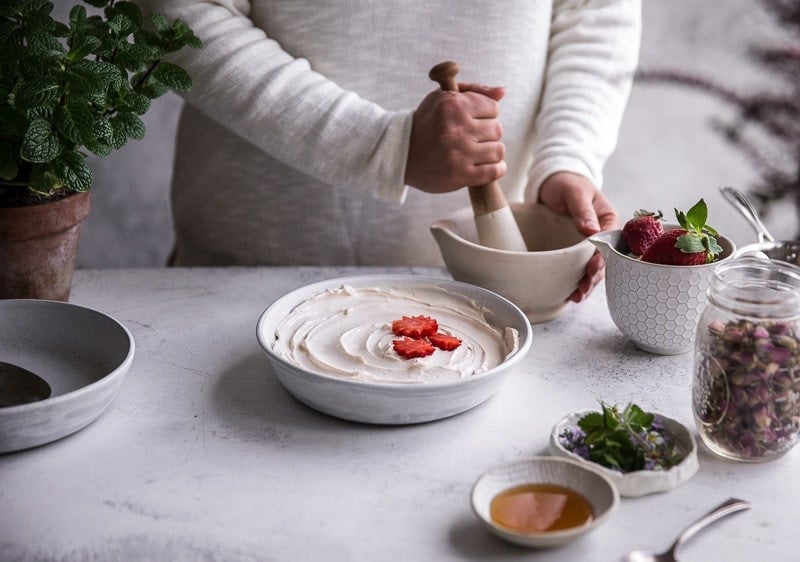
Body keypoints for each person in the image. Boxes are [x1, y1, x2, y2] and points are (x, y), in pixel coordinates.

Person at [137, 0, 641, 302]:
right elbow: (178, 14)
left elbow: (595, 11)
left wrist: (567, 156)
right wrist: (383, 146)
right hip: (243, 278)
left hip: (487, 291)